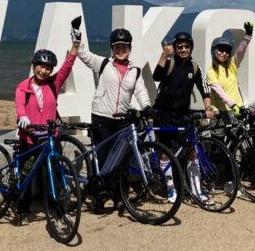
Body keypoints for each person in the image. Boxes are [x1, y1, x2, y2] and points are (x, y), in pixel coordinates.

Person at [76, 25, 152, 213]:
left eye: (124, 47)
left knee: (121, 161)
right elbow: (84, 55)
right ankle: (98, 197)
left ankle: (120, 197)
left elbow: (141, 91)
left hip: (122, 120)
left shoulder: (135, 71)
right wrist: (77, 41)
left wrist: (147, 107)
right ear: (112, 49)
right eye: (117, 47)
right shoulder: (103, 64)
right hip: (101, 116)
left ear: (130, 49)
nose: (120, 50)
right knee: (100, 159)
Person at [12, 25, 80, 224]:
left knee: (54, 176)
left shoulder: (53, 83)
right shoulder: (23, 88)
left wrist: (75, 45)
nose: (44, 70)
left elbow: (67, 66)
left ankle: (59, 211)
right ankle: (22, 211)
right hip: (30, 139)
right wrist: (23, 118)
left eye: (48, 68)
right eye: (40, 66)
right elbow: (19, 106)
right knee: (26, 177)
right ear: (33, 66)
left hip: (51, 138)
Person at [152, 31, 213, 202]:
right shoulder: (170, 63)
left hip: (183, 115)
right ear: (175, 48)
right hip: (163, 114)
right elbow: (156, 76)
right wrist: (164, 55)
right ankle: (170, 189)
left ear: (191, 48)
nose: (184, 49)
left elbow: (204, 88)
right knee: (165, 153)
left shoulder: (195, 67)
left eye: (187, 46)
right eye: (180, 46)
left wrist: (208, 107)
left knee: (192, 152)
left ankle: (196, 190)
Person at [206, 23, 254, 116]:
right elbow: (220, 92)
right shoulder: (211, 71)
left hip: (238, 110)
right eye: (221, 49)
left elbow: (241, 50)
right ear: (213, 51)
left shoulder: (232, 65)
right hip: (221, 113)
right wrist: (232, 105)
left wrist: (248, 35)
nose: (224, 53)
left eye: (227, 51)